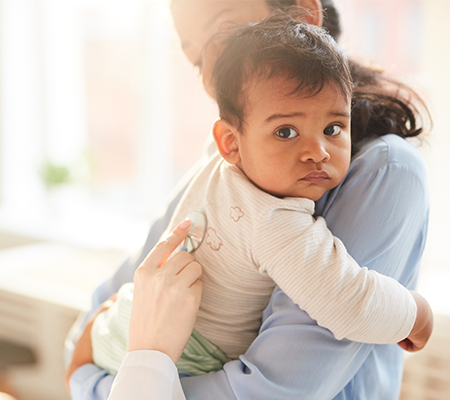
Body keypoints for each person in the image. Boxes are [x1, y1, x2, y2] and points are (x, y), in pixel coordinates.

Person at [66, 1, 432, 399]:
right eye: (195, 58)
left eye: (223, 31)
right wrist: (417, 313)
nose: (210, 73)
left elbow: (271, 390)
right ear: (229, 141)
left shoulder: (383, 170)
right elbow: (346, 299)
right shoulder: (234, 168)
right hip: (155, 353)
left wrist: (95, 377)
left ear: (301, 16)